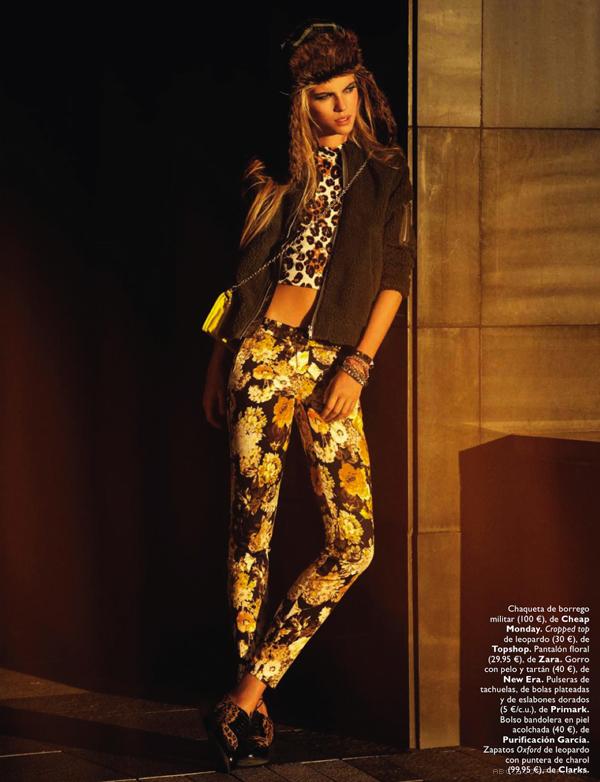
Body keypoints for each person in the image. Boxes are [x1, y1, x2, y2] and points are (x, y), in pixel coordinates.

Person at [202, 19, 416, 773]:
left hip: (332, 366)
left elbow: (396, 274)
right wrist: (218, 362)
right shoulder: (276, 174)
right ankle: (247, 708)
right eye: (325, 96)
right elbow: (242, 273)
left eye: (349, 91)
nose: (341, 107)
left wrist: (357, 366)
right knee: (251, 533)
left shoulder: (386, 170)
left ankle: (246, 692)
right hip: (261, 356)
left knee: (354, 543)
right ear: (301, 102)